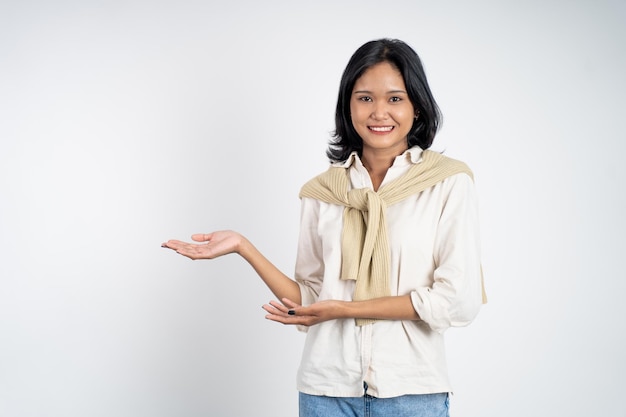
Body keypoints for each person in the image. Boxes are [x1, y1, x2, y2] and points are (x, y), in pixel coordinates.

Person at [162, 38, 485, 417]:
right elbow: (310, 299)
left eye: (395, 98)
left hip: (412, 390)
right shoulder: (323, 191)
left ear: (417, 105)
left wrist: (345, 309)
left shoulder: (447, 183)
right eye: (365, 98)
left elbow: (457, 300)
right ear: (348, 107)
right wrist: (243, 247)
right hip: (325, 390)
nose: (379, 112)